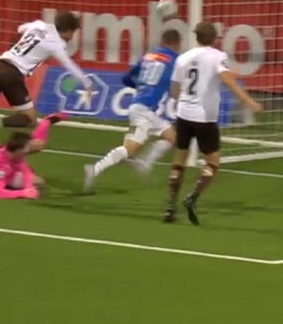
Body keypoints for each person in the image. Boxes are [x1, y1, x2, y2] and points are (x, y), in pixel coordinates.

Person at [164, 21, 263, 225]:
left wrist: (183, 100)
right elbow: (227, 80)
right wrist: (247, 101)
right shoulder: (218, 57)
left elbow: (174, 90)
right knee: (213, 162)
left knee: (179, 160)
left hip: (184, 114)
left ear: (196, 36)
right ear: (214, 38)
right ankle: (193, 197)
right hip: (205, 117)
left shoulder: (183, 58)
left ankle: (170, 206)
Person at [0, 11, 92, 142]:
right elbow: (68, 64)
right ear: (67, 30)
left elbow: (20, 28)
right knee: (30, 119)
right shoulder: (57, 44)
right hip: (12, 74)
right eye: (73, 33)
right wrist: (87, 84)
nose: (72, 37)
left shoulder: (39, 25)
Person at [83, 29, 181, 193]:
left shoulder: (148, 56)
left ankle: (143, 163)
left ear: (162, 41)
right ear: (177, 44)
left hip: (139, 106)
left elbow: (126, 78)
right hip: (144, 110)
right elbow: (176, 85)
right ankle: (95, 169)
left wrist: (141, 86)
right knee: (131, 149)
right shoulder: (175, 60)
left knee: (169, 136)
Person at [0, 114, 62, 199]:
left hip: (4, 163)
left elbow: (24, 169)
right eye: (24, 151)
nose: (26, 153)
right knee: (38, 182)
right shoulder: (1, 168)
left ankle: (46, 122)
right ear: (18, 151)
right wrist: (24, 193)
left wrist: (29, 187)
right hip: (1, 174)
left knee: (38, 145)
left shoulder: (12, 150)